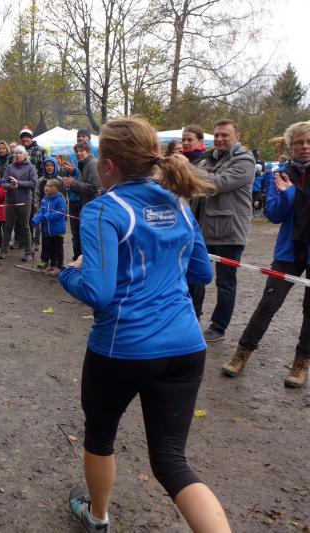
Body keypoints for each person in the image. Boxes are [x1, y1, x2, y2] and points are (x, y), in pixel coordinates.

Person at [59, 117, 230, 533]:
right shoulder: (178, 202)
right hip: (186, 346)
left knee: (100, 436)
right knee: (172, 462)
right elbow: (202, 273)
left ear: (108, 166)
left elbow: (98, 292)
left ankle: (98, 517)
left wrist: (69, 272)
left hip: (123, 347)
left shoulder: (104, 208)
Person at [221, 121, 310, 388]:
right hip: (288, 252)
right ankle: (242, 353)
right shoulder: (282, 174)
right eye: (299, 142)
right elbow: (273, 214)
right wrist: (287, 195)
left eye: (309, 142)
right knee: (268, 304)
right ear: (290, 146)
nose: (305, 147)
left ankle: (301, 363)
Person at [189, 119, 255, 342]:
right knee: (195, 276)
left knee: (225, 283)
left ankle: (219, 327)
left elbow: (216, 183)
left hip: (230, 232)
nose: (219, 139)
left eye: (224, 135)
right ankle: (192, 318)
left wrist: (186, 167)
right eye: (216, 134)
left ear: (237, 136)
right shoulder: (207, 158)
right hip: (203, 229)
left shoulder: (245, 161)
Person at [62, 142, 101, 260]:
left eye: (81, 151)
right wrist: (73, 179)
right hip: (85, 206)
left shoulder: (92, 164)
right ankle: (79, 260)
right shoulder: (83, 165)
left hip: (92, 208)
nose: (78, 153)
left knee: (90, 239)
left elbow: (94, 189)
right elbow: (83, 186)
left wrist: (73, 183)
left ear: (88, 151)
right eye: (76, 151)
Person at [0, 145, 37, 262]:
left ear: (25, 155)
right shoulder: (9, 167)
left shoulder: (31, 167)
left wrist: (18, 183)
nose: (18, 155)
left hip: (24, 201)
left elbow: (33, 183)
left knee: (25, 226)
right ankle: (3, 251)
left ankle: (28, 252)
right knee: (8, 226)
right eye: (16, 153)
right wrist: (10, 185)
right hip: (10, 201)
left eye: (20, 153)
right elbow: (3, 183)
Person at [32, 179, 67, 274]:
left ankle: (59, 267)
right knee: (50, 248)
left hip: (57, 230)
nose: (46, 187)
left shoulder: (59, 199)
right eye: (46, 186)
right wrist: (36, 219)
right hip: (48, 230)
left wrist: (48, 216)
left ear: (56, 188)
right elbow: (42, 212)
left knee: (58, 249)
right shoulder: (44, 199)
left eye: (50, 186)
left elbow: (61, 212)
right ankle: (52, 265)